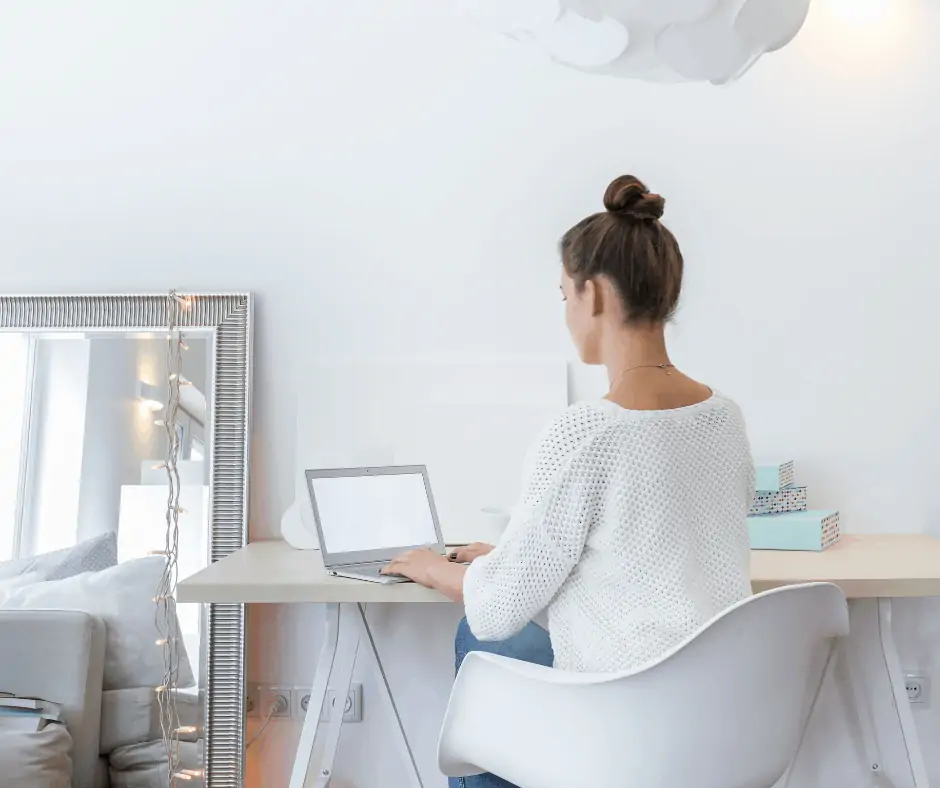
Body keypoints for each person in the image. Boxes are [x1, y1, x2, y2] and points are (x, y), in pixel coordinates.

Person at [383, 175, 754, 788]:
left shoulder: (586, 432)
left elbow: (498, 610)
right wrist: (510, 558)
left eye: (564, 296)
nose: (565, 314)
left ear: (596, 295)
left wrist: (431, 565)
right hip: (714, 713)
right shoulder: (724, 418)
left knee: (478, 639)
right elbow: (646, 557)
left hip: (622, 716)